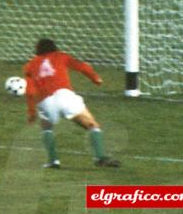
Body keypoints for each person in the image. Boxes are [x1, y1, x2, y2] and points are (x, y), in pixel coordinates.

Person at [21, 38, 121, 169]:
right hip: (65, 96)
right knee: (91, 125)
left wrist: (31, 112)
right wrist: (95, 78)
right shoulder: (61, 56)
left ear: (37, 50)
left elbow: (29, 91)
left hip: (45, 102)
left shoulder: (30, 65)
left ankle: (53, 161)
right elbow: (82, 66)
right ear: (54, 48)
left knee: (46, 127)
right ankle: (100, 157)